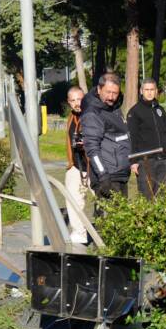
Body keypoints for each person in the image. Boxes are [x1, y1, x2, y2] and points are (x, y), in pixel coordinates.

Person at [81, 72, 131, 209]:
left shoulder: (113, 108)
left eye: (115, 93)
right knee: (107, 223)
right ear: (99, 89)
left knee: (122, 222)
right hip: (108, 177)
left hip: (120, 174)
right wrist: (103, 176)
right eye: (108, 92)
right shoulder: (93, 113)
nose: (111, 97)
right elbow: (92, 148)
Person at [127, 78, 166, 199]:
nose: (149, 92)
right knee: (147, 198)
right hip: (145, 161)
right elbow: (132, 138)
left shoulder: (160, 110)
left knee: (161, 196)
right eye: (146, 90)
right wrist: (133, 161)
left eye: (152, 90)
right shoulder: (134, 112)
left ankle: (161, 218)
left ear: (156, 91)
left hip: (161, 160)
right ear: (141, 91)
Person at [63, 86, 90, 244]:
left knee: (104, 200)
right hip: (76, 165)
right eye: (72, 100)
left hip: (92, 165)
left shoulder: (91, 115)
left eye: (79, 99)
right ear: (69, 102)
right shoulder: (70, 118)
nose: (76, 103)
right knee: (73, 200)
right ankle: (79, 232)